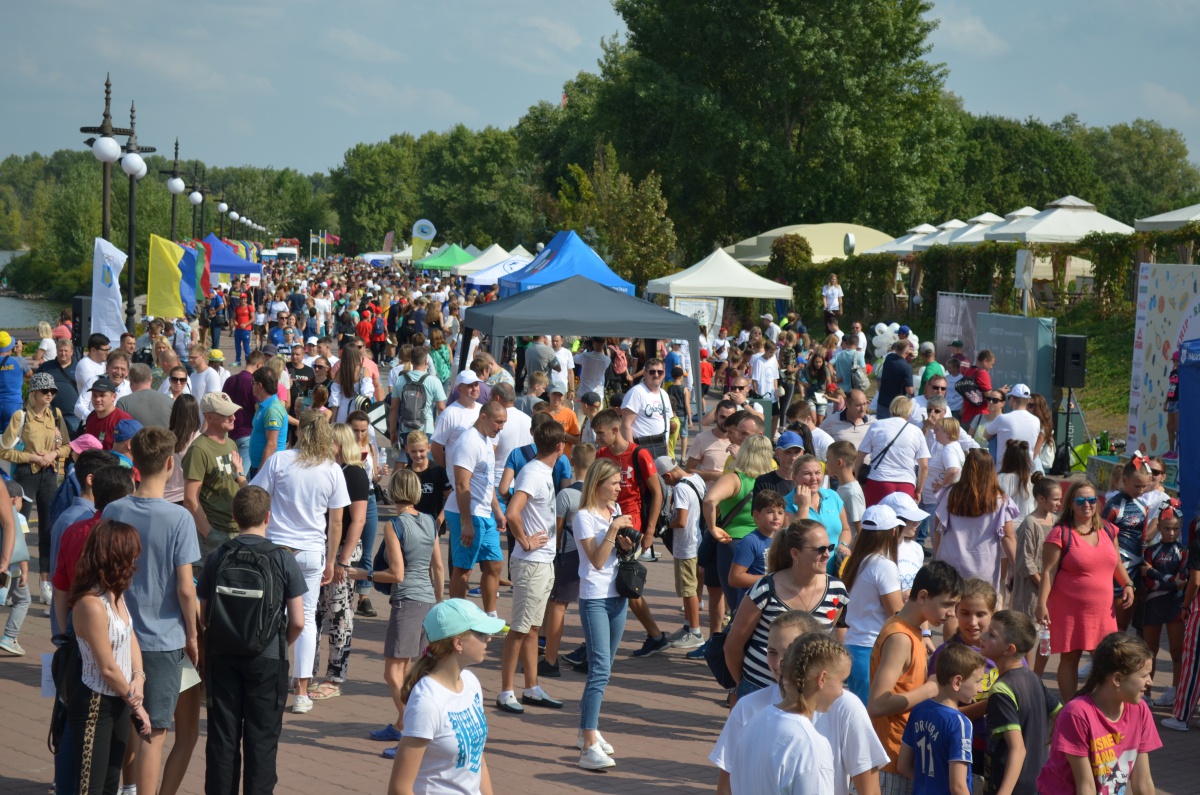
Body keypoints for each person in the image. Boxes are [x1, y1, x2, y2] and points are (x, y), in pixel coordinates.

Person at [101, 426, 201, 795]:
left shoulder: (114, 509)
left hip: (119, 633)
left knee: (127, 724)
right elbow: (186, 589)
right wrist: (192, 635)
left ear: (135, 463)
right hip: (162, 640)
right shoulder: (179, 519)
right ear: (171, 464)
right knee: (153, 731)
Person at [198, 486, 306, 795]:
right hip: (267, 656)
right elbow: (298, 620)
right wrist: (278, 643)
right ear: (268, 517)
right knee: (262, 741)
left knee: (222, 738)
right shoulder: (282, 560)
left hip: (221, 654)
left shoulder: (218, 557)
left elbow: (205, 614)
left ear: (234, 517)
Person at [250, 412, 351, 714]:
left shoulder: (281, 460)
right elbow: (336, 521)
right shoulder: (332, 469)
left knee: (271, 614)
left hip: (277, 546)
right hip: (311, 551)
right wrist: (332, 560)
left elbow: (255, 495)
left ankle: (266, 681)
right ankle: (302, 692)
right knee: (306, 621)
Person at [358, 469, 444, 759]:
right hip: (427, 600)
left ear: (394, 492)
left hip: (407, 602)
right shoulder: (430, 521)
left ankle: (412, 729)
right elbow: (438, 568)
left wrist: (360, 573)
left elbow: (396, 573)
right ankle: (400, 724)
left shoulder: (395, 525)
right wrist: (439, 602)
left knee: (392, 671)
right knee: (408, 670)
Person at [66, 519, 153, 795]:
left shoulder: (115, 592)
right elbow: (106, 667)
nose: (136, 558)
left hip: (120, 697)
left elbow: (130, 636)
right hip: (96, 702)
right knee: (90, 786)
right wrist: (137, 704)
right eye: (132, 552)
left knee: (109, 783)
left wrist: (139, 677)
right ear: (115, 555)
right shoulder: (91, 603)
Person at [386, 599, 504, 795]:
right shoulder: (427, 702)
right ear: (458, 642)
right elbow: (399, 788)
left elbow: (477, 758)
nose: (489, 638)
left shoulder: (471, 683)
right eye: (481, 633)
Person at [868, 561, 964, 795]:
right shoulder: (901, 638)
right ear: (922, 596)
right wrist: (930, 689)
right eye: (947, 605)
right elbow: (877, 704)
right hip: (891, 758)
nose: (952, 613)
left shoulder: (911, 630)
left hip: (904, 755)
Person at [726, 518, 850, 693]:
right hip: (760, 686)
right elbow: (733, 646)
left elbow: (829, 638)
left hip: (807, 693)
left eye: (829, 548)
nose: (827, 555)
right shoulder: (766, 588)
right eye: (820, 549)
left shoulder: (837, 590)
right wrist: (743, 685)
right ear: (795, 553)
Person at [1037, 479, 1133, 700]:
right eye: (1081, 500)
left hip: (1102, 610)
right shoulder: (1060, 533)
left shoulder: (1109, 530)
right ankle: (1071, 706)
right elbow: (1048, 572)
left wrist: (1127, 584)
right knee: (1070, 659)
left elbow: (1117, 562)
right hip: (1068, 608)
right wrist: (1041, 604)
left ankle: (1098, 703)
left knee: (1106, 659)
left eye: (1091, 500)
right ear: (1070, 504)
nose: (1087, 505)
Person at [572, 457, 638, 769]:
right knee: (598, 669)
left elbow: (617, 555)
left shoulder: (612, 512)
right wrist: (613, 530)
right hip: (595, 598)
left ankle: (590, 729)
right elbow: (597, 561)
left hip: (618, 597)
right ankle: (587, 745)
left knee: (606, 668)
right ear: (597, 484)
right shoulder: (584, 517)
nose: (619, 487)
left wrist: (626, 546)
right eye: (613, 483)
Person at [497, 420, 566, 714]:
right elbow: (512, 511)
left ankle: (532, 687)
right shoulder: (534, 473)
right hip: (531, 563)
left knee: (532, 628)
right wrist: (524, 541)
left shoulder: (543, 471)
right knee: (520, 627)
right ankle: (505, 691)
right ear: (560, 447)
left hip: (543, 561)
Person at [1036, 633, 1161, 795]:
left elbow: (1143, 782)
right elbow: (1086, 788)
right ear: (1117, 679)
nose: (1150, 682)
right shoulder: (1077, 714)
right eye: (1144, 676)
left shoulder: (1140, 710)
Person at [591, 408, 669, 655]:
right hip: (606, 524)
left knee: (622, 583)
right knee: (623, 584)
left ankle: (600, 644)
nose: (597, 438)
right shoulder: (600, 455)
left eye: (601, 433)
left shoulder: (639, 454)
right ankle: (655, 636)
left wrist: (649, 531)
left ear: (615, 430)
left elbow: (657, 493)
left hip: (630, 527)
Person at [729, 634, 846, 795]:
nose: (842, 692)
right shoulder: (811, 744)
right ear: (822, 679)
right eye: (841, 681)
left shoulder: (753, 723)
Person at [307, 423, 370, 701]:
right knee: (316, 613)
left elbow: (358, 519)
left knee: (340, 615)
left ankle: (334, 676)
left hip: (343, 550)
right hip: (323, 548)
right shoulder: (330, 469)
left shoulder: (354, 473)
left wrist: (343, 559)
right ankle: (308, 672)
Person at [0, 370, 70, 600]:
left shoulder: (56, 415)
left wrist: (52, 454)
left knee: (48, 531)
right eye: (45, 391)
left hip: (49, 475)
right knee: (18, 529)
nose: (50, 394)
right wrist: (31, 457)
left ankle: (45, 583)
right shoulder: (20, 417)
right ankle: (13, 583)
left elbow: (68, 446)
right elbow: (4, 450)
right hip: (25, 475)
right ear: (34, 392)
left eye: (52, 391)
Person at [979, 610, 1062, 795]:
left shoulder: (1001, 690)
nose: (982, 636)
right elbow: (1062, 716)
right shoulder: (1034, 678)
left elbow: (1017, 749)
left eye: (991, 634)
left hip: (1012, 785)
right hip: (1038, 780)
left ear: (1010, 649)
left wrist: (1004, 792)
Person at [445, 402, 508, 618]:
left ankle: (490, 615)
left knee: (494, 564)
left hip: (484, 514)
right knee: (463, 569)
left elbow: (486, 481)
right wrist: (467, 522)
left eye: (503, 423)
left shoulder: (486, 441)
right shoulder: (469, 442)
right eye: (498, 422)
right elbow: (462, 485)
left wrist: (497, 511)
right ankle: (457, 619)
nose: (501, 427)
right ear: (483, 417)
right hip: (467, 513)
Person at [897, 643, 986, 795]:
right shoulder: (961, 724)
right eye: (977, 681)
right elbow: (958, 786)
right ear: (957, 682)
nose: (980, 689)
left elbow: (903, 766)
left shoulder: (918, 710)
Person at [703, 435, 776, 614]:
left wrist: (712, 528)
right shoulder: (772, 481)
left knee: (738, 606)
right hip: (766, 543)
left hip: (733, 543)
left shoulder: (735, 479)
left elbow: (709, 500)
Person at [933, 449, 1018, 601]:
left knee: (951, 613)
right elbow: (1008, 537)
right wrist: (1016, 567)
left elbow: (938, 530)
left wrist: (935, 558)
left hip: (950, 564)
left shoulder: (949, 494)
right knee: (980, 615)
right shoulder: (1000, 500)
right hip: (984, 567)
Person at [840, 504, 904, 703]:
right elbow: (897, 614)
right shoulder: (883, 565)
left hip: (855, 647)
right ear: (893, 532)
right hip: (873, 650)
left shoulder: (856, 561)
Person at [182, 392, 246, 563]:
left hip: (234, 529)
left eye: (232, 412)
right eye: (226, 414)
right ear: (209, 417)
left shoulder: (231, 443)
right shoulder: (199, 449)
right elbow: (190, 499)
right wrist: (209, 533)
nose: (233, 417)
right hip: (215, 531)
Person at [656, 456, 707, 649]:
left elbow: (681, 521)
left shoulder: (680, 489)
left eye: (665, 480)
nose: (666, 484)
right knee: (692, 588)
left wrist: (665, 524)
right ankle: (688, 626)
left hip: (686, 545)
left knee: (688, 590)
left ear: (668, 474)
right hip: (698, 540)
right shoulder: (696, 478)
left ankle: (695, 631)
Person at [1140, 503, 1186, 708]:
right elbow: (1147, 580)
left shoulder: (1183, 551)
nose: (1171, 532)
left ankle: (1175, 692)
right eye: (1167, 528)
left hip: (1175, 605)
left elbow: (1183, 580)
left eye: (1176, 528)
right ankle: (1146, 693)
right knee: (1150, 651)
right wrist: (1170, 582)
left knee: (1177, 652)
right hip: (1153, 605)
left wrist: (1155, 574)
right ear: (1158, 527)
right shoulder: (1150, 551)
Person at [1012, 477, 1062, 667]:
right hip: (1031, 593)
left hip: (1051, 592)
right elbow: (1026, 563)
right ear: (1041, 499)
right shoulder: (1030, 523)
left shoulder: (1057, 521)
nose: (1059, 503)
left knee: (1046, 638)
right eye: (1055, 499)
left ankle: (1037, 677)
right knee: (1028, 637)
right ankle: (1025, 675)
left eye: (1060, 499)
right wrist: (1044, 586)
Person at [855, 396, 928, 506]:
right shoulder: (916, 431)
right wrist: (918, 490)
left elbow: (860, 456)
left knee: (874, 520)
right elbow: (924, 466)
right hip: (906, 483)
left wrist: (858, 480)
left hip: (879, 480)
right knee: (903, 522)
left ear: (891, 408)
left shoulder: (877, 425)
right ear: (910, 412)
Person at [785, 455, 852, 571]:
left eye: (817, 473)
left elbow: (845, 529)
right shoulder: (786, 503)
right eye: (807, 473)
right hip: (806, 572)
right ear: (794, 477)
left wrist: (843, 544)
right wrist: (803, 506)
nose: (814, 478)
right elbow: (795, 539)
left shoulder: (832, 496)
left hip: (836, 571)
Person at [619, 356, 673, 459]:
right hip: (641, 448)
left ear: (664, 374)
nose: (656, 375)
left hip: (661, 448)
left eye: (660, 372)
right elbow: (626, 425)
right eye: (652, 372)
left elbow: (666, 425)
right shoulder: (636, 392)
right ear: (644, 373)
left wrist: (668, 455)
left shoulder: (664, 394)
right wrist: (633, 454)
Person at [985, 384, 1042, 469]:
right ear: (1028, 400)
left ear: (1012, 399)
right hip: (1025, 472)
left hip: (1003, 472)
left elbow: (986, 435)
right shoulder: (1036, 421)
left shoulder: (1002, 419)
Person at [248, 368, 288, 478]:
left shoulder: (272, 410)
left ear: (260, 385)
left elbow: (272, 444)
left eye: (253, 383)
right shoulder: (264, 405)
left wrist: (261, 473)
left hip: (267, 468)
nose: (251, 386)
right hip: (260, 465)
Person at [39, 337, 82, 437]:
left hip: (73, 415)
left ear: (72, 352)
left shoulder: (79, 367)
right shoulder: (46, 367)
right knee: (51, 442)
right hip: (49, 414)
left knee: (73, 443)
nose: (63, 353)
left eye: (66, 351)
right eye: (60, 350)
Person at [118, 363, 175, 429]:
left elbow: (120, 433)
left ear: (131, 381)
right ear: (151, 379)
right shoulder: (169, 400)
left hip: (137, 439)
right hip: (167, 439)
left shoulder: (123, 403)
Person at [83, 377, 133, 451]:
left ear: (114, 397)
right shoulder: (91, 417)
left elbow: (129, 451)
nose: (97, 399)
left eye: (102, 395)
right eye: (94, 395)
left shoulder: (123, 420)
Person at [875, 341, 913, 420]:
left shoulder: (889, 358)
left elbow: (891, 352)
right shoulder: (907, 367)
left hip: (882, 402)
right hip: (896, 405)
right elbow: (910, 391)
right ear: (906, 352)